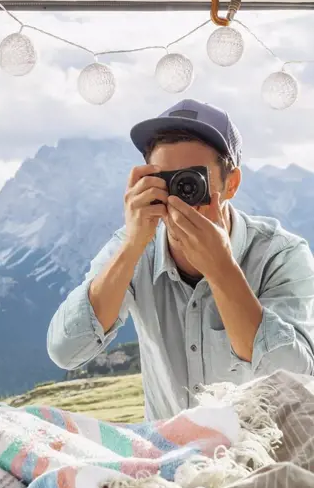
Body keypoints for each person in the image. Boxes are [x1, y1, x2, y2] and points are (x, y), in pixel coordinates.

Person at [47, 99, 314, 420]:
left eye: (192, 182)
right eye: (165, 181)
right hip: (171, 458)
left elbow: (298, 379)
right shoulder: (132, 244)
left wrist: (221, 269)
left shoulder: (280, 254)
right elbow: (65, 351)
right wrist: (132, 247)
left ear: (231, 184)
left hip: (264, 454)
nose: (177, 197)